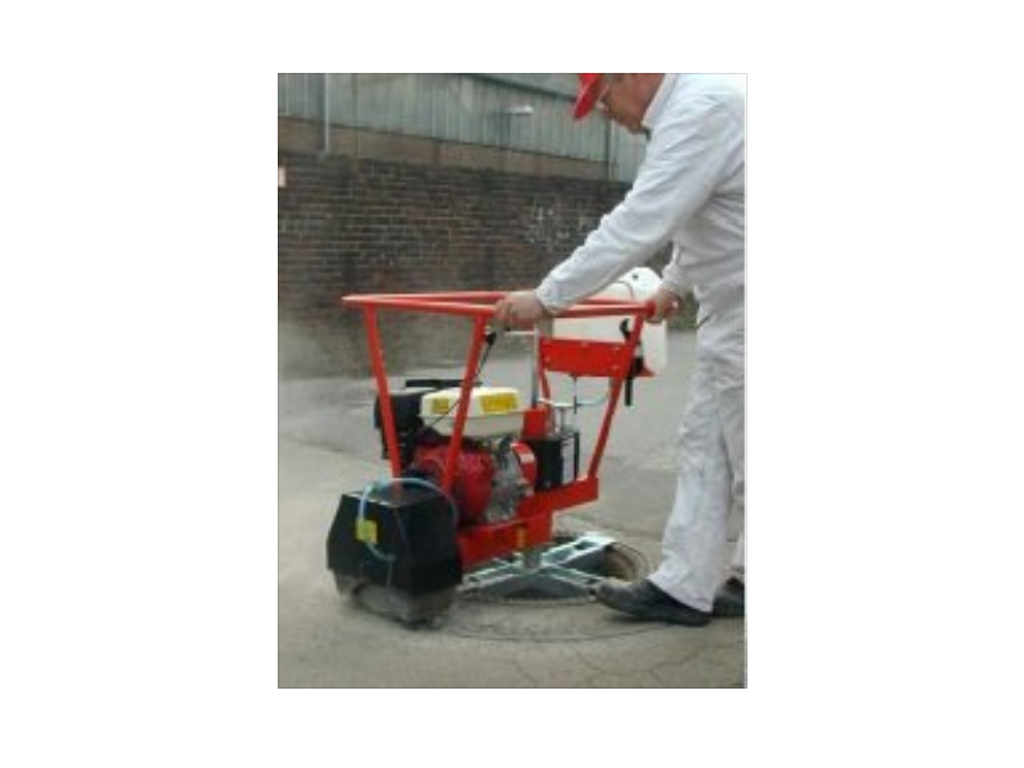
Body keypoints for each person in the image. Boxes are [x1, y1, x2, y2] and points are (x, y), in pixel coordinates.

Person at [494, 74, 745, 626]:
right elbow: (706, 217)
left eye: (603, 99)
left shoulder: (702, 109)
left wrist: (547, 297)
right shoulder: (691, 113)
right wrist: (673, 284)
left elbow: (640, 221)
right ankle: (685, 587)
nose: (607, 115)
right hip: (730, 309)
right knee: (706, 449)